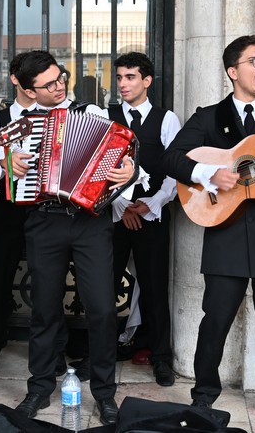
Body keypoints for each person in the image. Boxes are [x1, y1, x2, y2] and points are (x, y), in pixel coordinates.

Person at [161, 35, 255, 432]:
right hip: (225, 233)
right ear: (233, 71)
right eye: (254, 61)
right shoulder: (209, 117)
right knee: (216, 320)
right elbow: (171, 158)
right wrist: (210, 173)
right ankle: (203, 396)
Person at [10, 50, 136, 426]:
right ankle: (38, 388)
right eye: (48, 84)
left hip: (89, 221)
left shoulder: (92, 114)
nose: (59, 85)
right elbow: (11, 185)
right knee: (45, 309)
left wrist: (126, 171)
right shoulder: (19, 124)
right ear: (31, 92)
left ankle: (104, 393)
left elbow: (123, 157)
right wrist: (11, 167)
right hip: (44, 221)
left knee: (100, 309)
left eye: (59, 77)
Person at [107, 52, 181, 387]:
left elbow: (176, 172)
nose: (123, 84)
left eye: (130, 77)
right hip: (112, 216)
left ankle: (161, 357)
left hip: (151, 216)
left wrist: (147, 206)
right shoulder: (107, 118)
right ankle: (103, 353)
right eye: (120, 77)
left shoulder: (166, 119)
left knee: (155, 286)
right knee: (103, 287)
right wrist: (123, 207)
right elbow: (96, 167)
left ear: (147, 81)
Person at [0, 52, 46, 376]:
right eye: (29, 77)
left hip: (45, 210)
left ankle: (50, 350)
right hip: (8, 207)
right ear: (16, 79)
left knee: (49, 282)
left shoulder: (54, 116)